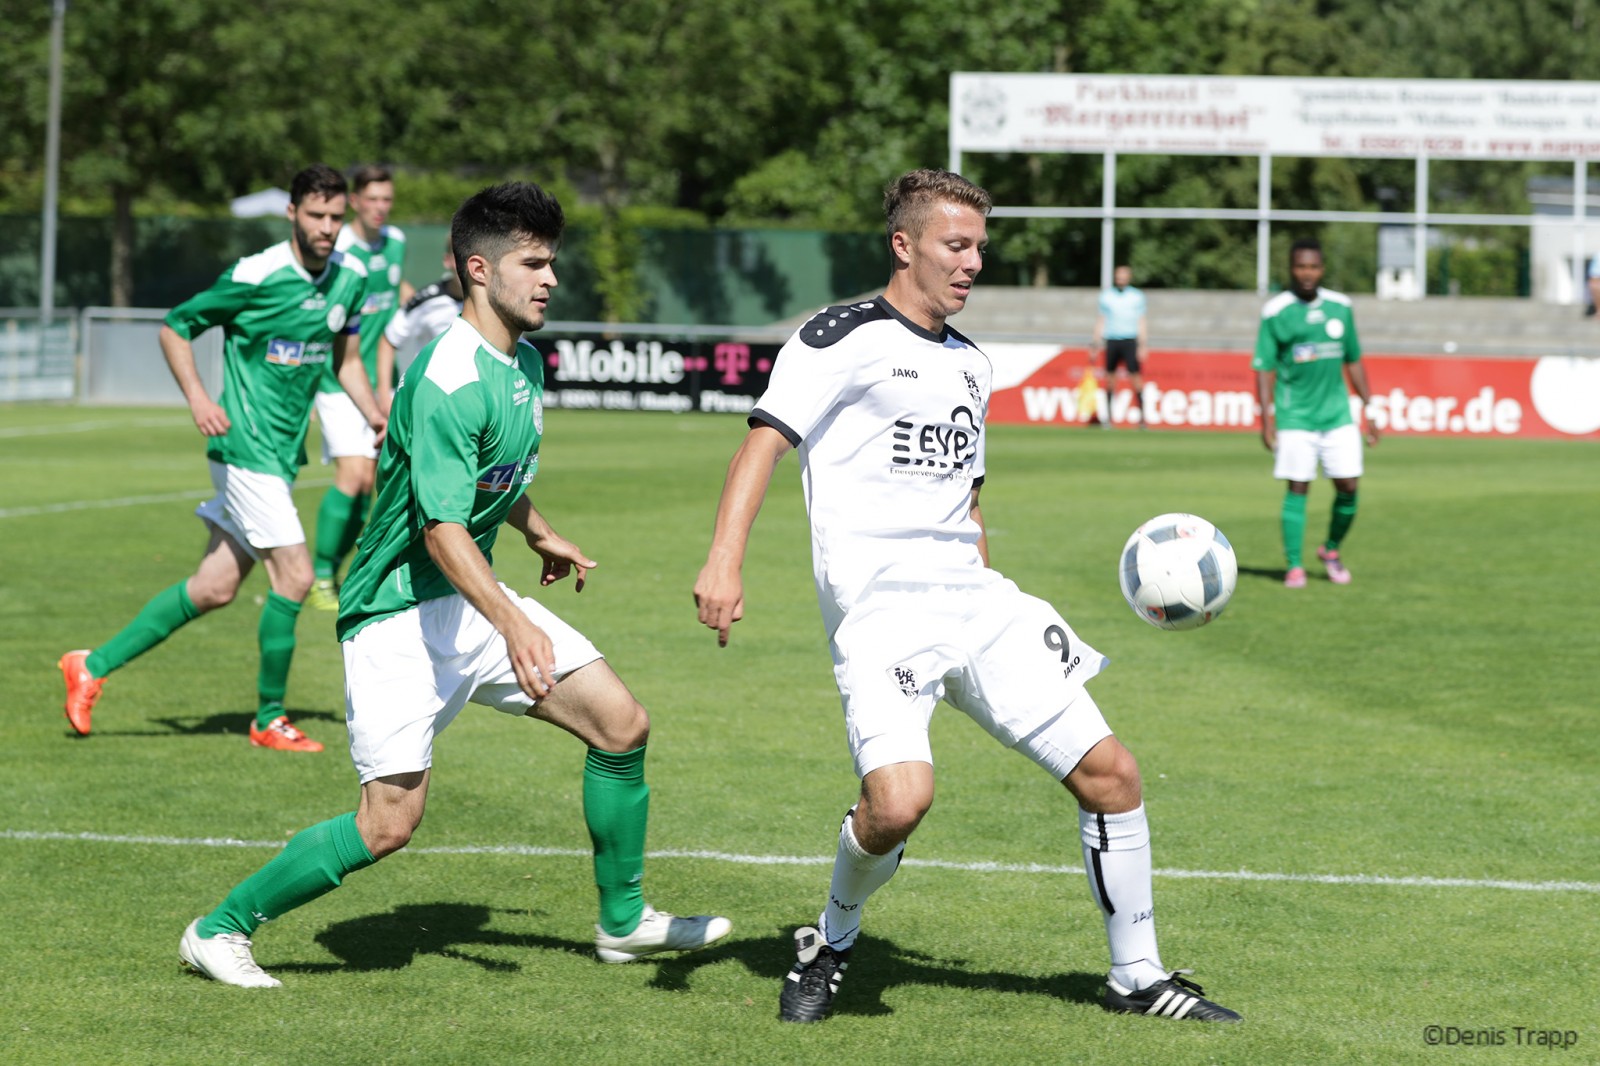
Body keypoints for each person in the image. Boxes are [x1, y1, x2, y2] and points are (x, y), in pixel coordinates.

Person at [693, 168, 1238, 1025]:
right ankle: (830, 941)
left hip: (976, 601)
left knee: (1114, 776)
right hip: (882, 613)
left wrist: (986, 587)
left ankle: (1138, 976)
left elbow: (968, 497)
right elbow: (763, 444)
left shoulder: (972, 364)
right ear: (903, 245)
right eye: (957, 244)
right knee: (899, 804)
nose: (974, 261)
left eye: (981, 246)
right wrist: (724, 562)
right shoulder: (839, 337)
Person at [178, 180, 730, 988]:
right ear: (479, 269)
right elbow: (439, 528)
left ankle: (624, 923)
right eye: (533, 264)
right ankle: (219, 929)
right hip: (395, 617)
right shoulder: (445, 377)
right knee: (387, 825)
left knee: (620, 724)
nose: (549, 279)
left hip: (465, 601)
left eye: (553, 263)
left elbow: (484, 481)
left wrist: (537, 529)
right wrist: (513, 620)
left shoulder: (523, 362)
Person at [57, 163, 383, 753]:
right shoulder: (257, 275)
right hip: (243, 447)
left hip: (282, 454)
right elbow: (176, 327)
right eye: (316, 215)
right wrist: (199, 398)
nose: (328, 228)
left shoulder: (350, 279)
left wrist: (375, 415)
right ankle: (269, 718)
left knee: (213, 588)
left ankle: (90, 665)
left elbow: (347, 361)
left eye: (336, 217)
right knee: (297, 576)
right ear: (292, 213)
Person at [306, 165, 414, 612]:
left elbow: (395, 291)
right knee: (353, 477)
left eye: (386, 200)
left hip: (379, 384)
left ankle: (346, 568)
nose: (380, 208)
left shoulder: (396, 241)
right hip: (338, 382)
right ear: (354, 202)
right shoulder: (339, 248)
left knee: (372, 483)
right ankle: (319, 575)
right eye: (371, 199)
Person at [1253, 238, 1378, 589]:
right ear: (1291, 269)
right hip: (1295, 415)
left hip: (1337, 415)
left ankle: (1331, 550)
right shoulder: (1276, 311)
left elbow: (1353, 359)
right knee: (1298, 486)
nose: (1306, 273)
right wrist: (1267, 420)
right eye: (1300, 266)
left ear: (1322, 269)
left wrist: (1371, 408)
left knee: (1349, 487)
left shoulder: (1341, 307)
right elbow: (1263, 368)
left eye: (1313, 266)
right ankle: (1294, 565)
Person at [376, 235, 463, 404]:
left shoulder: (495, 301)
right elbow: (388, 340)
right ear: (447, 261)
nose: (464, 265)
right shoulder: (426, 301)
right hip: (429, 402)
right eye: (458, 257)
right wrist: (385, 398)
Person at [1091, 264, 1147, 427]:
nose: (1121, 279)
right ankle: (1108, 418)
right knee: (1110, 379)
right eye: (1118, 276)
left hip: (1130, 340)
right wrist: (1095, 343)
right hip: (1112, 340)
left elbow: (1141, 321)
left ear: (1129, 277)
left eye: (1124, 276)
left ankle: (1142, 418)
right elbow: (1101, 320)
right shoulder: (1107, 296)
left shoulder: (1137, 296)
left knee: (1136, 378)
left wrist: (1143, 344)